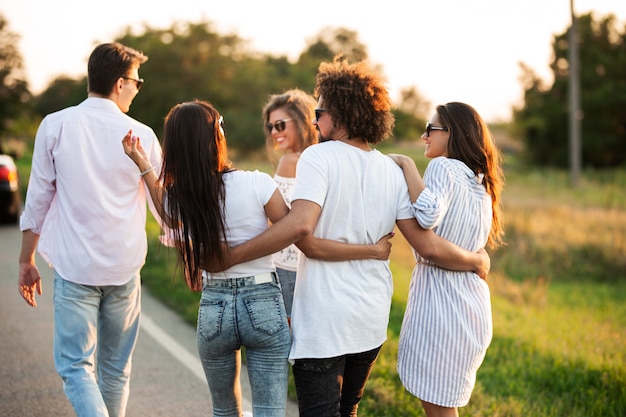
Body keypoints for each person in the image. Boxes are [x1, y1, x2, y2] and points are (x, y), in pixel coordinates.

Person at [207, 56, 491, 417]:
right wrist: (474, 258)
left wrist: (231, 256)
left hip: (325, 319)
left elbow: (301, 231)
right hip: (370, 318)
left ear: (339, 115)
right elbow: (423, 242)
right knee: (349, 411)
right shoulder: (390, 169)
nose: (314, 120)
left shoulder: (317, 157)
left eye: (320, 112)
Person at [121, 99, 392, 417]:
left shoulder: (182, 200)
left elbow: (165, 212)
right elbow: (295, 232)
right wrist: (368, 248)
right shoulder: (257, 183)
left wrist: (143, 163)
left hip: (215, 306)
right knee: (269, 411)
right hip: (262, 301)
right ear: (217, 136)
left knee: (224, 410)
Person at [17, 42, 161, 417]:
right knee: (116, 370)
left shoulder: (56, 125)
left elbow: (38, 201)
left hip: (76, 268)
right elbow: (165, 211)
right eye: (136, 81)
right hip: (125, 269)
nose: (137, 87)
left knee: (76, 368)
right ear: (119, 83)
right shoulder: (142, 134)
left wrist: (26, 259)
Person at [391, 102, 505, 417]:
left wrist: (405, 165)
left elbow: (427, 215)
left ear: (451, 133)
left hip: (443, 305)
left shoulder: (444, 167)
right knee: (444, 407)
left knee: (440, 410)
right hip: (471, 305)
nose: (424, 136)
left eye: (430, 129)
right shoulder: (480, 181)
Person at [262, 88, 318, 321]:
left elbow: (277, 219)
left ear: (302, 121)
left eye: (280, 125)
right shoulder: (320, 157)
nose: (275, 132)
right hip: (313, 266)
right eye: (271, 127)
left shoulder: (291, 161)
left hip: (286, 265)